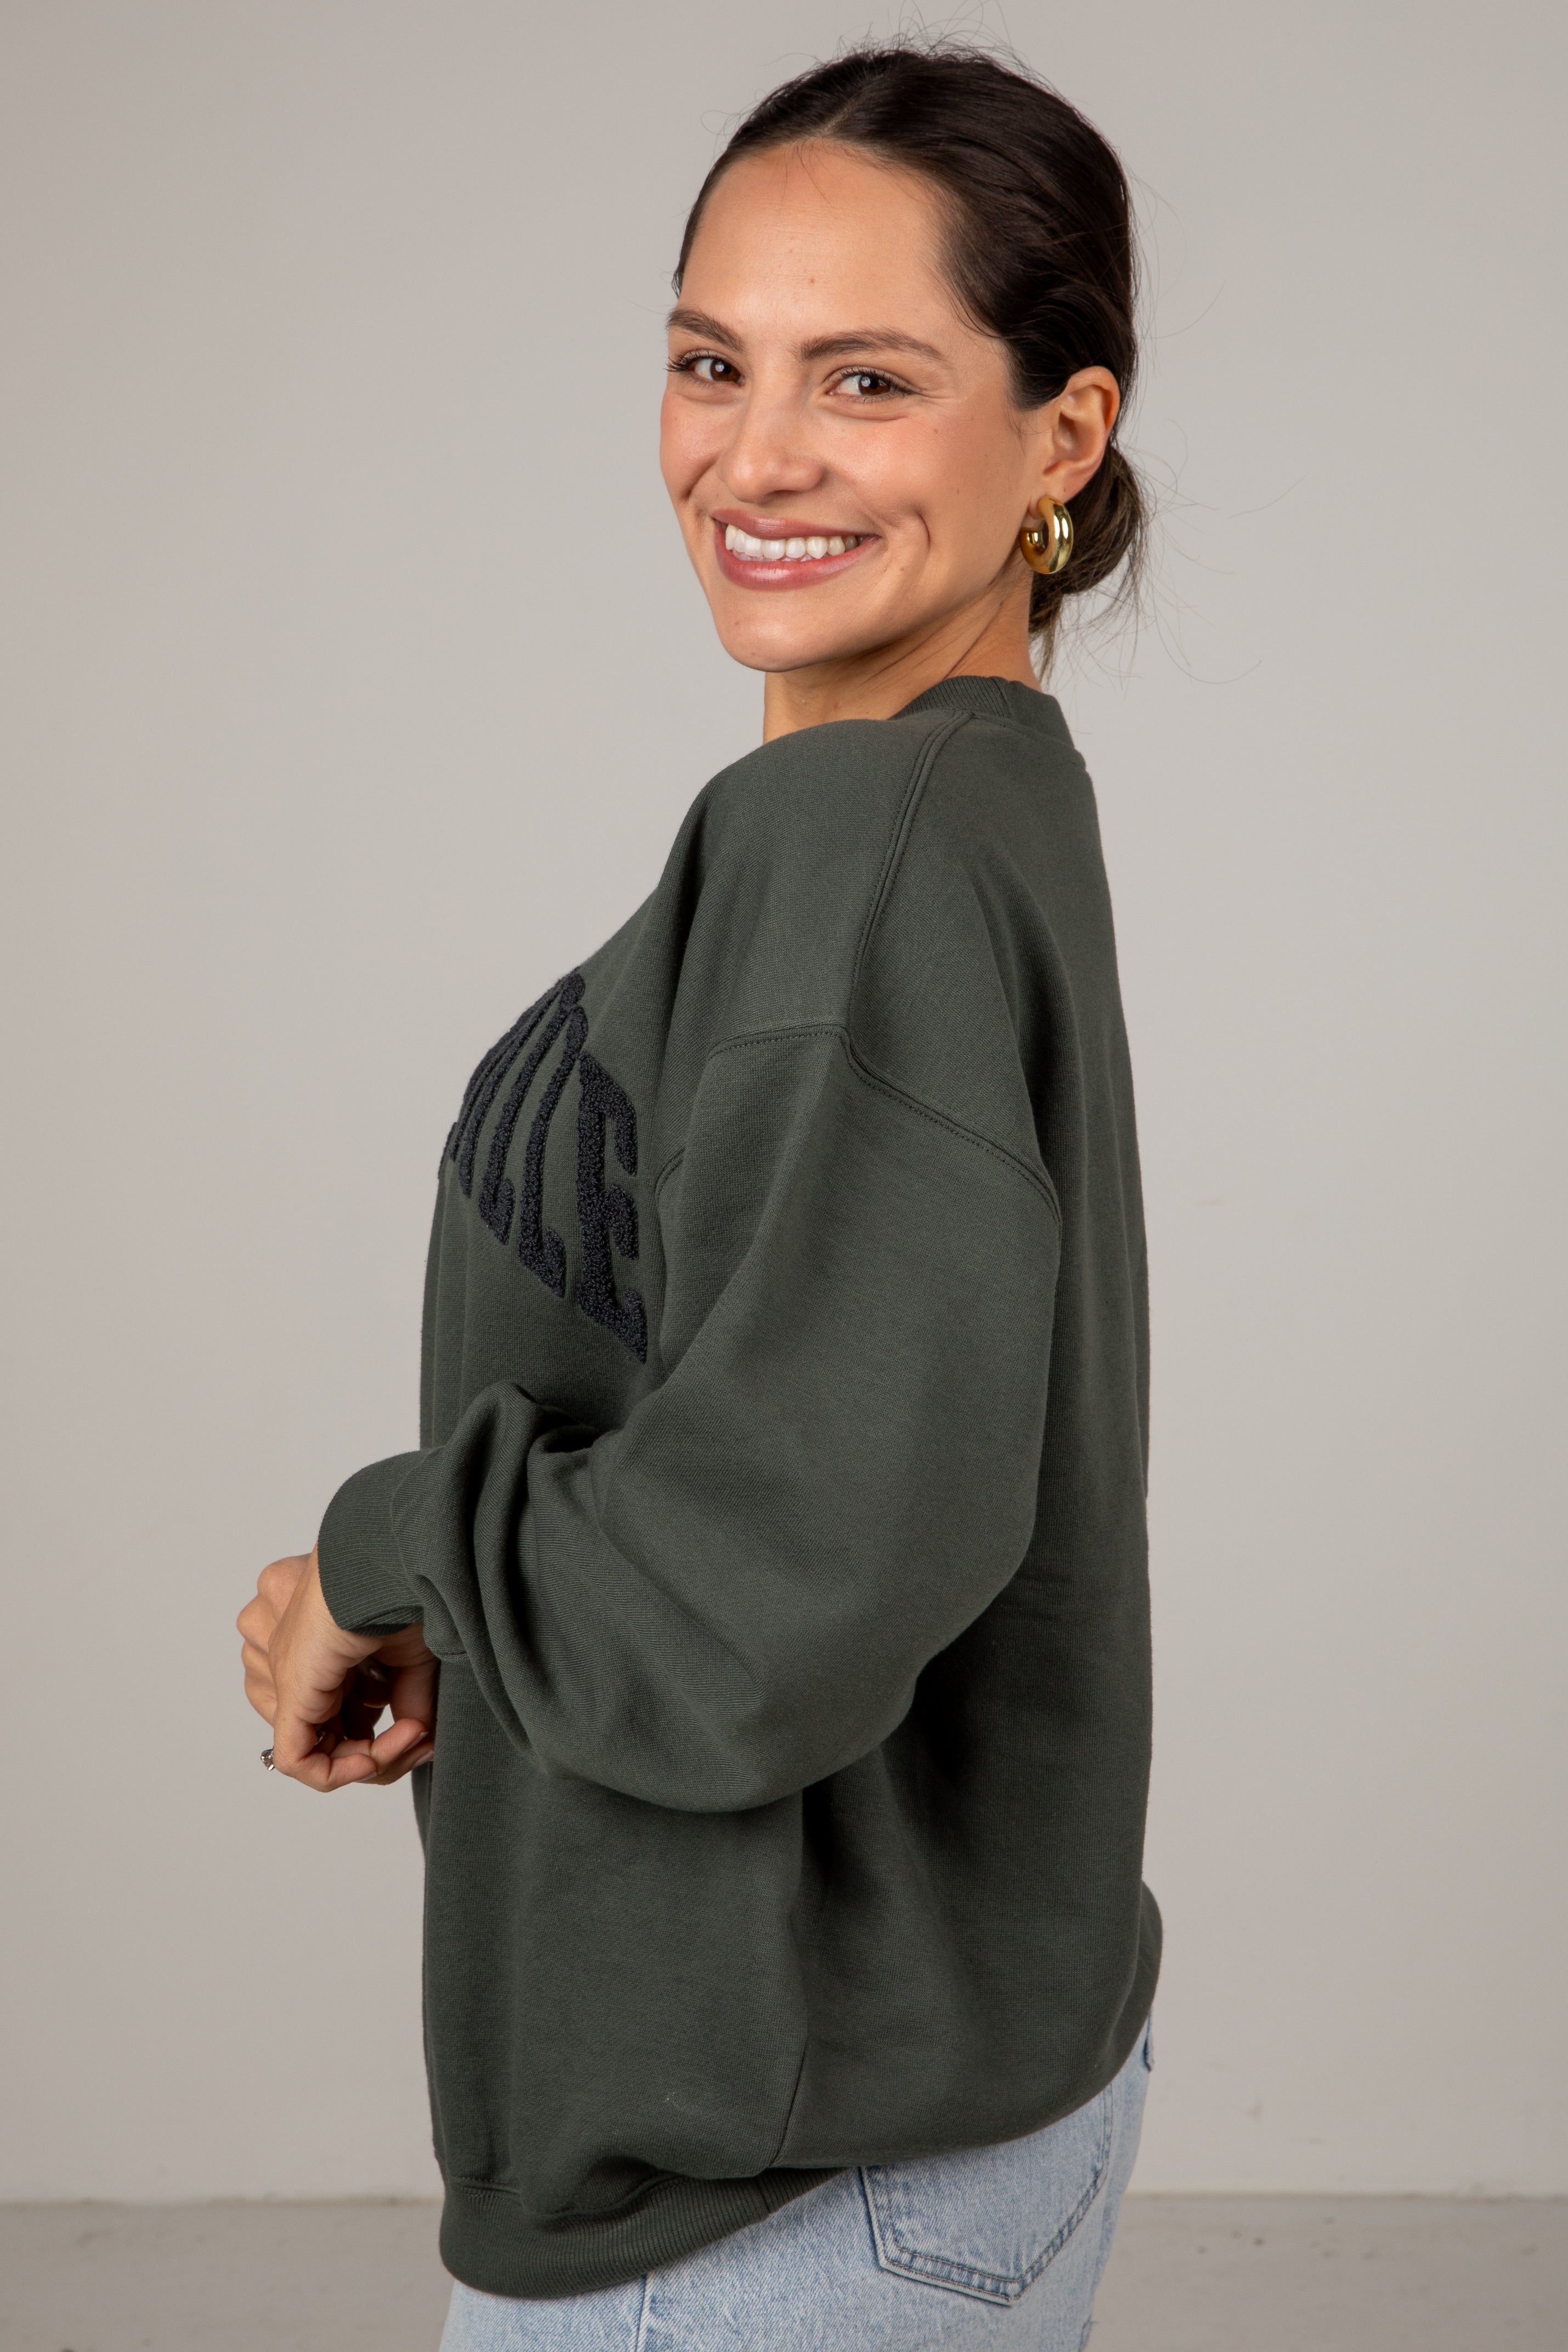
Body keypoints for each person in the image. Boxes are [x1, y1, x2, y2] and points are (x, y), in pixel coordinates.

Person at [238, 42, 1159, 2351]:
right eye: (705, 361)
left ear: (1059, 431)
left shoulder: (863, 843)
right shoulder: (967, 803)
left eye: (865, 377)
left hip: (764, 2206)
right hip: (922, 2109)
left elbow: (773, 1581)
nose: (753, 454)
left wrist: (387, 1541)